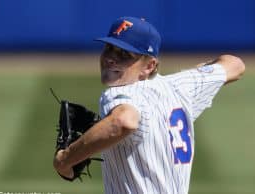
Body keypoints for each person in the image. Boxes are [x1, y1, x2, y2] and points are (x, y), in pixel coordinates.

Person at [53, 16, 245, 194]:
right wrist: (198, 73)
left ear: (149, 66)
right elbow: (235, 64)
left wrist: (66, 158)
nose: (110, 58)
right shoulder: (180, 86)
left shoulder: (121, 92)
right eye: (109, 48)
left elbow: (124, 120)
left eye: (124, 54)